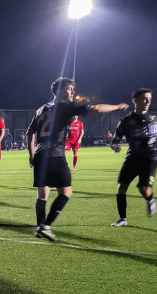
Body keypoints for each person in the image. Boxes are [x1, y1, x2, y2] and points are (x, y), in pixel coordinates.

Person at [26, 77, 128, 241]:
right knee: (66, 192)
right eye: (69, 89)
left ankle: (40, 226)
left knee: (42, 194)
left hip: (39, 154)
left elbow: (29, 133)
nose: (73, 92)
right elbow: (96, 108)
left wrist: (31, 155)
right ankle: (45, 226)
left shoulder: (41, 109)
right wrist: (118, 107)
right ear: (59, 91)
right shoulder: (65, 105)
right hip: (55, 154)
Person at [109, 88, 157, 227]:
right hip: (132, 157)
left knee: (144, 188)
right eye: (144, 99)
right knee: (121, 188)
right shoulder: (126, 121)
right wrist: (115, 145)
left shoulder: (156, 115)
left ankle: (150, 200)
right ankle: (122, 219)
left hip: (151, 156)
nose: (148, 101)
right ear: (135, 101)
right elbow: (115, 138)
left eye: (150, 99)